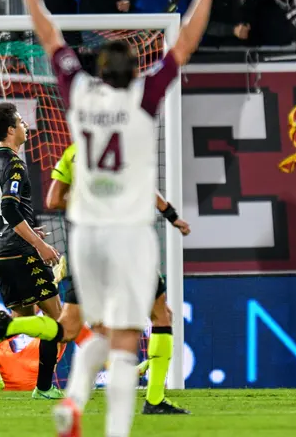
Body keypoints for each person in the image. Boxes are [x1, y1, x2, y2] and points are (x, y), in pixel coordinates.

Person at [12, 0, 221, 435]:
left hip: (85, 234)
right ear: (136, 72)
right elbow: (184, 43)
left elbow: (50, 36)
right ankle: (116, 431)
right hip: (129, 233)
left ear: (99, 70)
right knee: (128, 338)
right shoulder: (144, 98)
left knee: (103, 332)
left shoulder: (79, 92)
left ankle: (74, 400)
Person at [46, 143, 192, 414]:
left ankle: (9, 327)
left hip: (88, 248)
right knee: (161, 316)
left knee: (70, 328)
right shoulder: (124, 146)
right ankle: (155, 399)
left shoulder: (74, 151)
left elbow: (53, 201)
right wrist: (172, 217)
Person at [0, 102, 65, 400]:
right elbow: (9, 209)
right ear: (11, 130)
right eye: (21, 122)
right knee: (56, 319)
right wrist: (38, 244)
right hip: (21, 251)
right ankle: (43, 387)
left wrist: (25, 227)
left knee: (21, 316)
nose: (26, 126)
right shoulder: (14, 163)